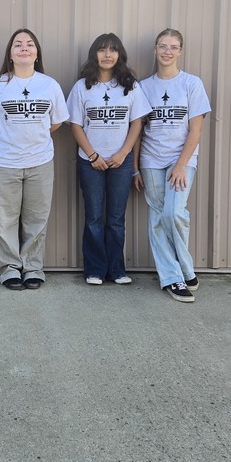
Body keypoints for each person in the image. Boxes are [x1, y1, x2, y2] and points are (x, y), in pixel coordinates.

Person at [0, 29, 69, 290]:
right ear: (10, 53)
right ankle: (9, 269)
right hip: (5, 162)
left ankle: (32, 268)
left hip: (40, 161)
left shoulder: (49, 85)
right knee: (5, 219)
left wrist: (33, 136)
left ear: (37, 53)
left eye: (29, 44)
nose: (24, 48)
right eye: (18, 44)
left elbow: (57, 121)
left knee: (36, 219)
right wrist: (8, 135)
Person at [66, 33, 151, 286]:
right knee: (93, 217)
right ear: (95, 54)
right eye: (102, 50)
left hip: (121, 162)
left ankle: (116, 270)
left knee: (115, 218)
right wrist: (92, 155)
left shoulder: (130, 86)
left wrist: (123, 153)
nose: (107, 55)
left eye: (112, 50)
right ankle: (94, 270)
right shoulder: (82, 86)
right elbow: (75, 124)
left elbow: (137, 122)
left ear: (119, 55)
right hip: (90, 161)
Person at [133, 28, 211, 303]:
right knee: (156, 217)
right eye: (163, 46)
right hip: (151, 160)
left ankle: (186, 268)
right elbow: (138, 131)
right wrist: (135, 168)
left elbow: (196, 131)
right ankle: (173, 278)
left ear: (180, 51)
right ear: (155, 49)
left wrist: (181, 165)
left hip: (182, 160)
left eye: (173, 47)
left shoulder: (191, 84)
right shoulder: (144, 86)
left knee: (174, 213)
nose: (167, 51)